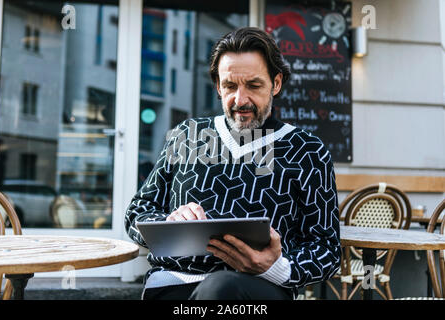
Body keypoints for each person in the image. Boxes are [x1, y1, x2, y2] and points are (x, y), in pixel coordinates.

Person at [125, 27, 341, 300]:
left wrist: (277, 268)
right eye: (230, 86)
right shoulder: (186, 135)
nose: (240, 100)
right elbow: (136, 213)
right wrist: (169, 221)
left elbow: (327, 249)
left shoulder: (308, 151)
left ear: (276, 83)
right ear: (218, 86)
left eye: (253, 85)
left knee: (221, 288)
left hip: (261, 288)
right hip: (174, 284)